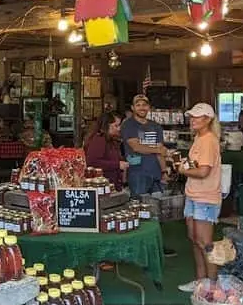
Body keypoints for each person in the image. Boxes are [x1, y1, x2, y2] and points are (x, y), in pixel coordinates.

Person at [121, 94, 175, 257]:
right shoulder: (128, 125)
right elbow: (136, 147)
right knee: (137, 210)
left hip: (155, 174)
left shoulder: (156, 126)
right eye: (138, 104)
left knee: (156, 211)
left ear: (149, 107)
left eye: (144, 105)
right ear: (132, 108)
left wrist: (164, 171)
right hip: (138, 174)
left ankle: (156, 246)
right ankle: (137, 247)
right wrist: (158, 149)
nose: (142, 108)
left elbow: (160, 151)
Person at [176, 103, 223, 292]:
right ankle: (201, 281)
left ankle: (212, 286)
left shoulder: (209, 140)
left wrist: (182, 170)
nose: (193, 119)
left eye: (197, 117)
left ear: (208, 120)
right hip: (193, 194)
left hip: (206, 197)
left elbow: (203, 171)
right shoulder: (199, 138)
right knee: (194, 239)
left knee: (204, 242)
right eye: (192, 116)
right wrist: (184, 164)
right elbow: (195, 164)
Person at [83, 111, 128, 191]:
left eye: (119, 125)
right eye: (116, 125)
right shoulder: (99, 139)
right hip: (101, 187)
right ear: (106, 126)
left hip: (109, 185)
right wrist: (117, 164)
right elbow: (92, 162)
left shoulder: (110, 139)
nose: (119, 128)